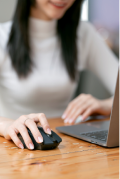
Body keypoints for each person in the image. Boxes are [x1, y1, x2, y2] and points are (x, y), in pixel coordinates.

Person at [0, 0, 119, 150]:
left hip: (65, 147)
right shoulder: (2, 36)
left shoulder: (83, 33)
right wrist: (6, 125)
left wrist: (108, 105)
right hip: (14, 150)